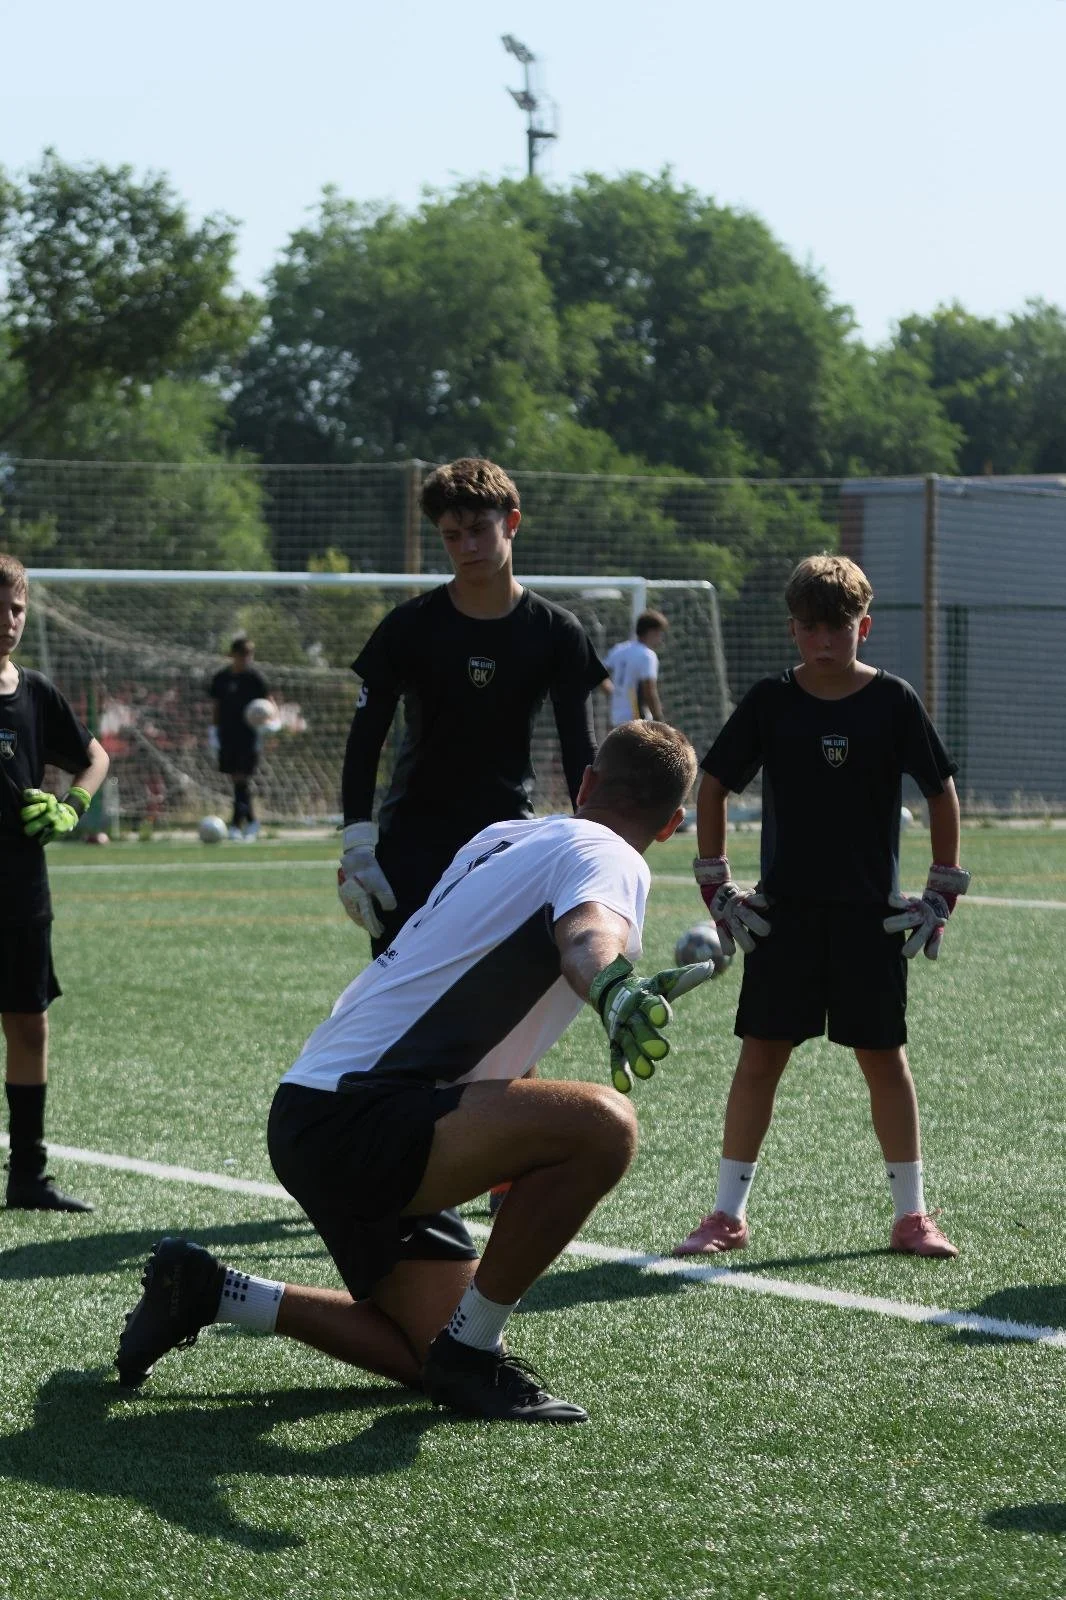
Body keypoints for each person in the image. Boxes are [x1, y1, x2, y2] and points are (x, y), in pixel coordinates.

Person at [115, 722, 725, 1423]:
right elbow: (589, 936)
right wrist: (616, 989)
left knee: (424, 1353)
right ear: (674, 824)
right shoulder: (613, 855)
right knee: (604, 1125)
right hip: (364, 1118)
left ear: (585, 783)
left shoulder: (503, 836)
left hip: (317, 1108)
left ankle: (209, 1289)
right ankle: (474, 1358)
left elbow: (487, 992)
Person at [673, 553, 970, 1262]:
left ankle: (912, 1217)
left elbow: (940, 790)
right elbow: (712, 784)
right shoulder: (773, 700)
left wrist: (942, 885)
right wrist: (716, 882)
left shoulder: (893, 700)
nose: (825, 640)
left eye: (838, 626)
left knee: (884, 1059)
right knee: (759, 1059)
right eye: (810, 627)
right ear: (793, 630)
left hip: (872, 916)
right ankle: (726, 1215)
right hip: (785, 916)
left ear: (863, 625)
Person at [336, 457, 608, 961]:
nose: (467, 547)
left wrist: (596, 842)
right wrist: (356, 846)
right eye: (452, 535)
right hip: (411, 846)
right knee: (398, 1009)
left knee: (488, 1012)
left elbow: (580, 750)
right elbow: (365, 739)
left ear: (513, 521)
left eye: (479, 530)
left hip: (505, 842)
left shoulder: (557, 632)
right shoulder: (408, 626)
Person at [0, 555, 111, 1212]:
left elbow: (92, 757)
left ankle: (28, 1176)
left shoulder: (35, 693)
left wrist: (72, 805)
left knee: (29, 1026)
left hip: (20, 890)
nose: (8, 621)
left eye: (16, 608)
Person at [208, 637, 274, 841]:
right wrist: (213, 731)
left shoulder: (255, 679)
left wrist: (272, 722)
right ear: (233, 655)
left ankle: (238, 825)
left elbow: (268, 703)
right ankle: (251, 822)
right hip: (227, 735)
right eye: (243, 654)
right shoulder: (221, 678)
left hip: (249, 736)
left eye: (249, 654)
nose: (247, 658)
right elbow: (216, 707)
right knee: (237, 780)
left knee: (241, 778)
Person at [603, 610, 668, 727]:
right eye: (660, 632)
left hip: (616, 719)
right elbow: (649, 691)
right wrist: (660, 721)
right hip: (637, 721)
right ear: (651, 632)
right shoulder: (647, 655)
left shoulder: (619, 649)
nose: (661, 637)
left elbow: (599, 675)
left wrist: (614, 693)